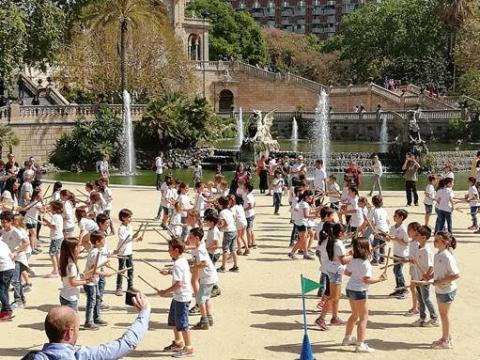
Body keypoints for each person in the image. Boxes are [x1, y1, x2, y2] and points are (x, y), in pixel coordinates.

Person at [26, 292, 151, 359]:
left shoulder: (34, 358)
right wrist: (144, 311)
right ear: (69, 333)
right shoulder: (82, 356)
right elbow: (127, 343)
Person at [342, 237, 386, 353]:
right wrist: (380, 279)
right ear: (365, 248)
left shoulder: (353, 260)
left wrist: (356, 275)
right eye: (370, 245)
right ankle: (360, 344)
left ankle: (347, 338)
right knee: (363, 318)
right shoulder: (365, 263)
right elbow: (367, 280)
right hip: (359, 291)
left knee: (354, 314)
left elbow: (347, 272)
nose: (372, 247)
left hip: (350, 288)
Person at [159, 238, 194, 357]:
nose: (168, 251)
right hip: (178, 297)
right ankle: (178, 342)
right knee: (173, 320)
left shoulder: (179, 264)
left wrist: (165, 291)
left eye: (170, 249)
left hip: (182, 298)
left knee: (183, 324)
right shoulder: (181, 260)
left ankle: (188, 347)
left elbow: (178, 284)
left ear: (176, 250)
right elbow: (180, 273)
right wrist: (169, 272)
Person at [431, 231, 460, 350]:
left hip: (446, 290)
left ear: (445, 242)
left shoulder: (447, 256)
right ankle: (445, 337)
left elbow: (456, 275)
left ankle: (446, 340)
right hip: (440, 289)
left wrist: (439, 281)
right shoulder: (438, 254)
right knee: (443, 314)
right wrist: (431, 277)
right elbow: (438, 270)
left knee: (444, 315)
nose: (435, 241)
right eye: (435, 239)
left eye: (437, 240)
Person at [189, 228, 218, 330]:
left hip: (207, 277)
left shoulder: (200, 249)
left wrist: (193, 267)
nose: (189, 238)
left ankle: (204, 320)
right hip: (208, 276)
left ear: (197, 238)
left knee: (200, 300)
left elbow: (204, 264)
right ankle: (209, 318)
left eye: (191, 237)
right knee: (206, 298)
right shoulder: (198, 247)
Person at [410, 225, 438, 327]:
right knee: (420, 299)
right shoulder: (419, 247)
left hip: (423, 279)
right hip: (417, 277)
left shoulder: (427, 250)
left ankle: (434, 317)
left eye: (417, 235)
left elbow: (431, 266)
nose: (415, 236)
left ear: (424, 237)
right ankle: (422, 318)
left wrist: (426, 276)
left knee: (426, 298)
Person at [1, 211, 30, 309]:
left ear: (11, 222)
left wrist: (16, 252)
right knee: (15, 280)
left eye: (5, 222)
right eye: (2, 222)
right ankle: (22, 298)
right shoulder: (3, 231)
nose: (3, 224)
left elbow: (26, 242)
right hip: (9, 259)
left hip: (18, 258)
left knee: (15, 280)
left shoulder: (15, 231)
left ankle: (18, 300)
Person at [115, 209, 142, 296]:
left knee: (130, 269)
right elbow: (124, 240)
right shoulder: (121, 228)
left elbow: (130, 239)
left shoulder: (130, 226)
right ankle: (119, 287)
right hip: (122, 252)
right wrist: (133, 238)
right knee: (122, 270)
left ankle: (130, 286)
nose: (131, 218)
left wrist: (137, 239)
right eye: (129, 217)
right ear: (123, 218)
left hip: (129, 251)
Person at [59, 238, 91, 311]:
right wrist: (86, 282)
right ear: (72, 249)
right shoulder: (71, 265)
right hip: (70, 299)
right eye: (77, 246)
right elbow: (73, 282)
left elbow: (68, 278)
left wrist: (81, 276)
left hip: (65, 295)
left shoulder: (65, 261)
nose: (79, 248)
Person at [389, 209, 410, 299]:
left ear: (401, 218)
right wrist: (379, 236)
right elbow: (388, 239)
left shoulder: (404, 229)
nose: (394, 217)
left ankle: (404, 289)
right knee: (396, 271)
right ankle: (399, 289)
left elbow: (406, 243)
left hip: (402, 253)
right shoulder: (393, 227)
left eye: (396, 216)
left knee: (398, 271)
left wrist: (397, 239)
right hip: (396, 252)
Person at [288, 190, 315, 260]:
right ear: (306, 197)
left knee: (304, 239)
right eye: (311, 196)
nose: (312, 197)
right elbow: (306, 215)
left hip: (299, 223)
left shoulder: (301, 202)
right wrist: (315, 215)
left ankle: (306, 254)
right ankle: (292, 253)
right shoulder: (305, 204)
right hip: (302, 224)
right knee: (302, 240)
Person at [217, 196, 239, 273]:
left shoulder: (222, 212)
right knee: (233, 249)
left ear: (221, 204)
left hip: (228, 231)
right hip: (234, 230)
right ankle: (235, 266)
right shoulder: (229, 210)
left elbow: (224, 223)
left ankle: (223, 267)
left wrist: (219, 228)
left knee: (225, 250)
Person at [44, 201, 64, 277]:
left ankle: (56, 271)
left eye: (50, 208)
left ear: (54, 209)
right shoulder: (59, 216)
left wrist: (47, 224)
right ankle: (59, 269)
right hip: (59, 236)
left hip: (56, 237)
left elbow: (54, 227)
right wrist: (47, 223)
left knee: (52, 254)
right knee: (57, 253)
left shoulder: (55, 216)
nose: (49, 209)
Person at [369, 195, 389, 265]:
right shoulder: (384, 210)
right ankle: (382, 259)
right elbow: (387, 221)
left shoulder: (373, 210)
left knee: (375, 245)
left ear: (373, 202)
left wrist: (373, 230)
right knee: (382, 245)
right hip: (385, 229)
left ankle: (375, 260)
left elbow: (370, 221)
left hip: (378, 230)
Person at [0, 235, 15, 320]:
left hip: (4, 269)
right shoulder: (3, 244)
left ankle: (8, 309)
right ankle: (5, 310)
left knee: (1, 290)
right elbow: (11, 255)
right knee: (4, 290)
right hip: (9, 268)